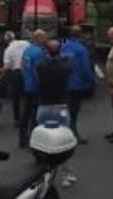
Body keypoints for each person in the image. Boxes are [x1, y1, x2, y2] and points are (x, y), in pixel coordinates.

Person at [35, 39, 78, 187]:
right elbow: (71, 68)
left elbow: (37, 75)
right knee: (64, 142)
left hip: (44, 107)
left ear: (46, 51)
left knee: (42, 142)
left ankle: (43, 175)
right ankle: (68, 175)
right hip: (61, 107)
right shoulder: (65, 65)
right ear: (60, 51)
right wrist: (63, 57)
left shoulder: (40, 65)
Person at [62, 25, 94, 144]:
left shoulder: (64, 47)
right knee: (74, 110)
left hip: (65, 83)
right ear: (81, 35)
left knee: (65, 109)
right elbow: (86, 69)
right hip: (78, 84)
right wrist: (90, 80)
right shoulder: (82, 49)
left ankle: (65, 132)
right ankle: (73, 133)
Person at [19, 29, 48, 148]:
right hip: (35, 87)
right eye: (44, 37)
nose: (46, 40)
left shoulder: (27, 50)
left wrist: (26, 78)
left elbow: (22, 66)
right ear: (39, 38)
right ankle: (33, 140)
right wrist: (42, 85)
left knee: (25, 113)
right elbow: (38, 72)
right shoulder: (39, 53)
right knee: (36, 115)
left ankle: (22, 139)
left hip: (27, 85)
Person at [2, 31, 30, 126]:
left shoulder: (8, 50)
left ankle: (17, 120)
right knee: (28, 96)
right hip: (27, 72)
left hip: (17, 74)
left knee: (16, 98)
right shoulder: (25, 43)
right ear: (15, 37)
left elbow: (6, 67)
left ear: (6, 40)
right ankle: (28, 117)